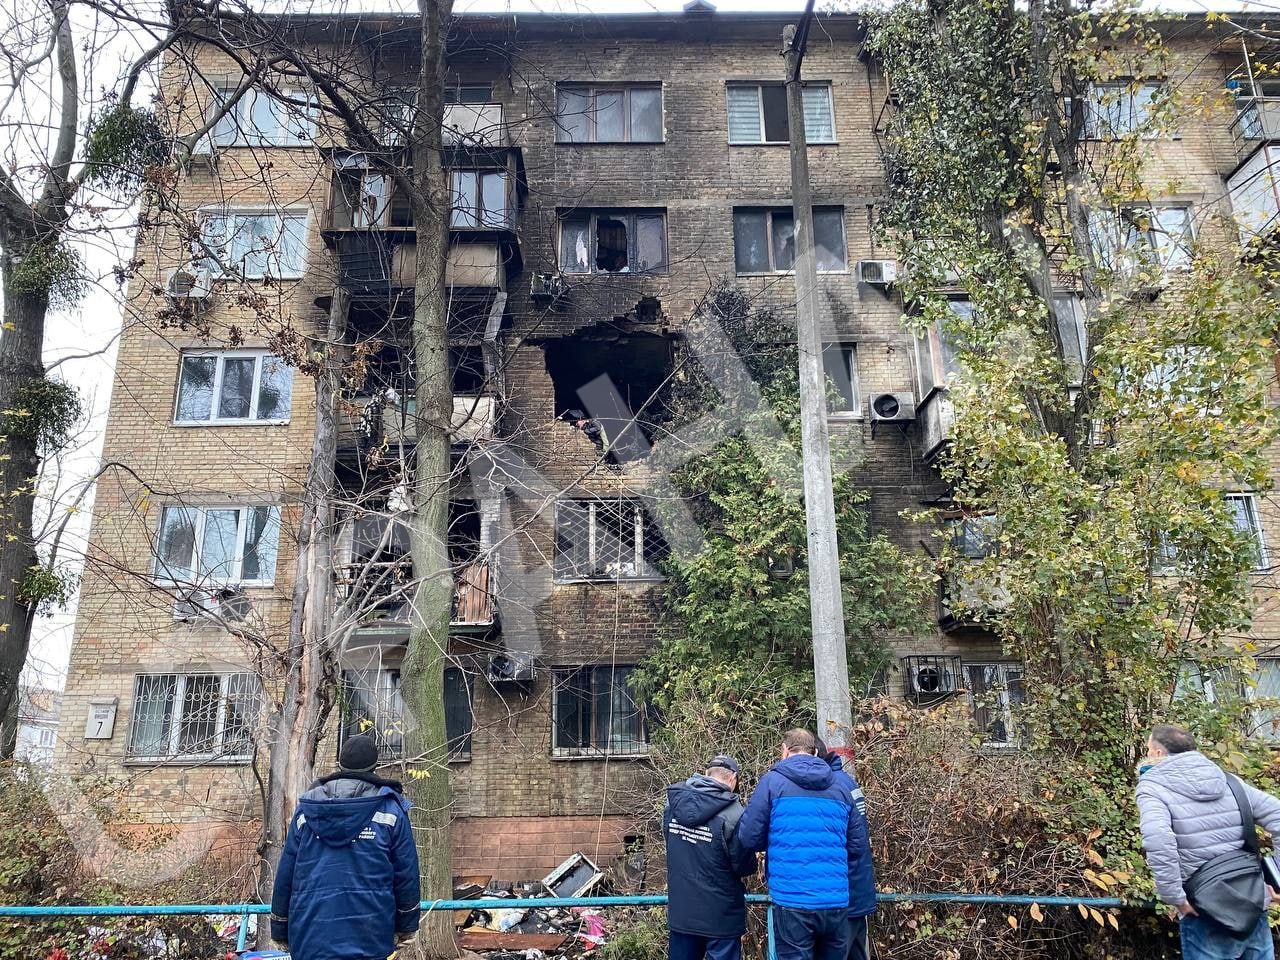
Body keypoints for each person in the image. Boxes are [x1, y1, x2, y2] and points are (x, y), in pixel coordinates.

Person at [270, 733, 421, 960]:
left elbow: (286, 874)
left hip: (310, 935)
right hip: (370, 935)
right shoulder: (390, 812)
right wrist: (407, 925)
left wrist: (280, 927)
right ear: (374, 766)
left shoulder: (307, 810)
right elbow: (406, 875)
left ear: (341, 764)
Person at [1136, 723, 1280, 960]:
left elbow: (1158, 841)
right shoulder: (1229, 781)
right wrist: (1277, 878)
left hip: (1204, 910)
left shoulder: (1154, 788)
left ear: (1158, 753)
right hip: (1252, 901)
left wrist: (1176, 898)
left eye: (1148, 749)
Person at [738, 729, 861, 960]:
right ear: (814, 752)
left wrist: (776, 840)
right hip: (835, 900)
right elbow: (856, 845)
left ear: (784, 750)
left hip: (793, 898)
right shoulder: (841, 787)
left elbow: (748, 836)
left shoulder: (772, 782)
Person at [663, 755, 758, 960]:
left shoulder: (673, 805)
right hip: (721, 916)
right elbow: (744, 866)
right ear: (733, 778)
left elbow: (669, 844)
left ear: (706, 774)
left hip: (683, 912)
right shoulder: (735, 814)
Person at [816, 739, 875, 960]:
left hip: (844, 893)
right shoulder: (846, 781)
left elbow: (852, 844)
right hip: (857, 888)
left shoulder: (833, 787)